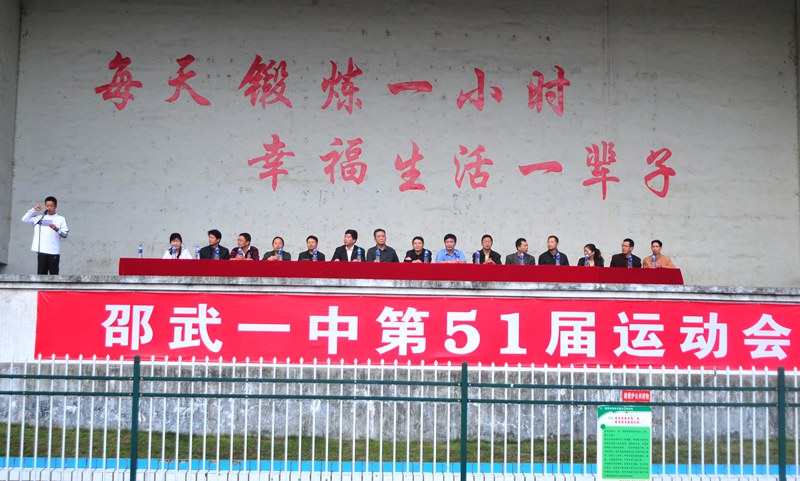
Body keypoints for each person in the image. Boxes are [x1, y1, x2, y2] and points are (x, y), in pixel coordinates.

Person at [21, 196, 69, 274]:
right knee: (41, 275)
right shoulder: (40, 218)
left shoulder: (60, 219)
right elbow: (24, 219)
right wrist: (33, 210)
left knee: (54, 275)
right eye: (47, 206)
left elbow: (65, 235)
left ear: (55, 206)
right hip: (42, 251)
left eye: (51, 206)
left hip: (54, 251)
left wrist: (56, 229)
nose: (49, 208)